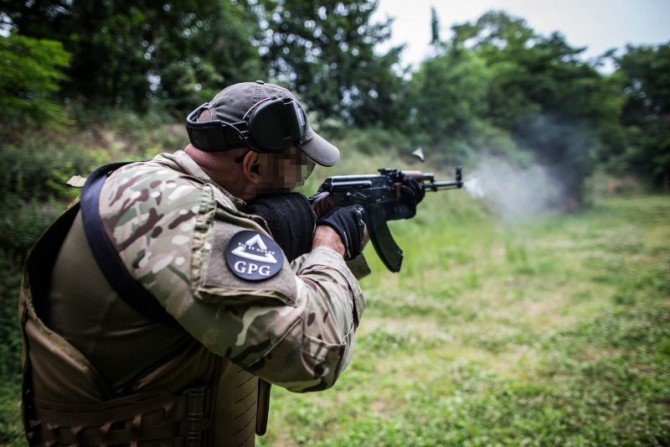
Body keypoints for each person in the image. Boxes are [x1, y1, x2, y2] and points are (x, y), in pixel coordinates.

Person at [19, 81, 420, 446]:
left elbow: (271, 289)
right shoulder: (183, 214)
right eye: (302, 167)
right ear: (253, 166)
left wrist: (353, 223)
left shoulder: (152, 188)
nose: (302, 182)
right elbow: (314, 356)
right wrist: (330, 243)